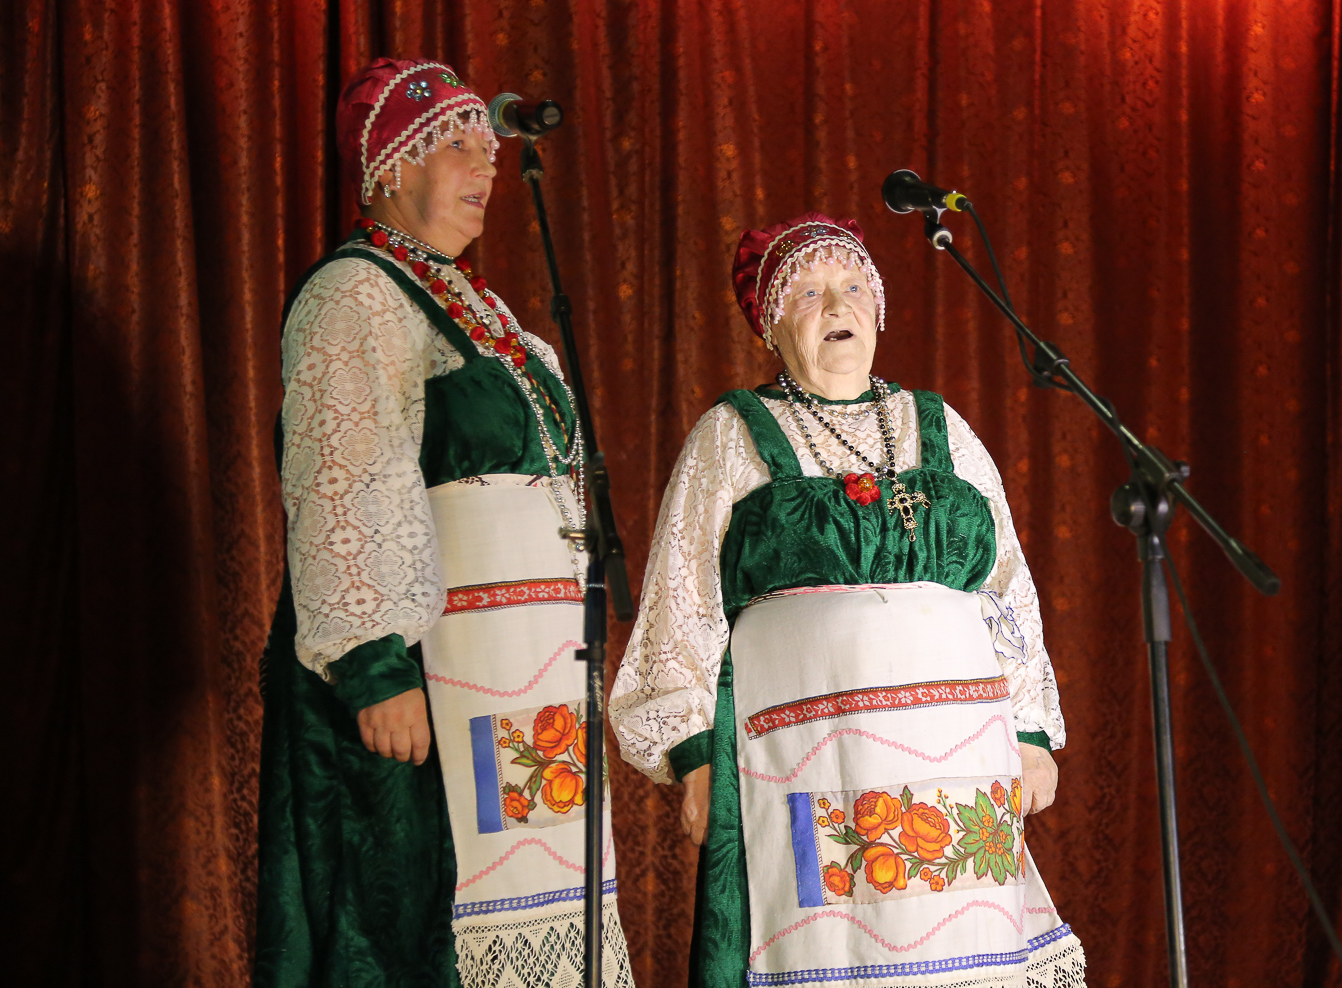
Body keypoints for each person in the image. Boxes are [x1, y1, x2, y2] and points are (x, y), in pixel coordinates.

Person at [611, 213, 1088, 987]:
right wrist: (693, 754)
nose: (837, 305)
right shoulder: (731, 435)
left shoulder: (940, 426)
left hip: (957, 762)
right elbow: (680, 598)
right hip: (810, 765)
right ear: (770, 324)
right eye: (808, 292)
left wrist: (1029, 728)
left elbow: (1006, 585)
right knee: (838, 954)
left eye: (854, 287)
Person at [255, 57, 634, 988]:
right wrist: (375, 667)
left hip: (521, 676)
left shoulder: (481, 306)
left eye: (491, 152)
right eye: (458, 144)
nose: (486, 165)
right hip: (419, 675)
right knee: (414, 923)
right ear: (390, 165)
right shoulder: (356, 292)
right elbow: (344, 468)